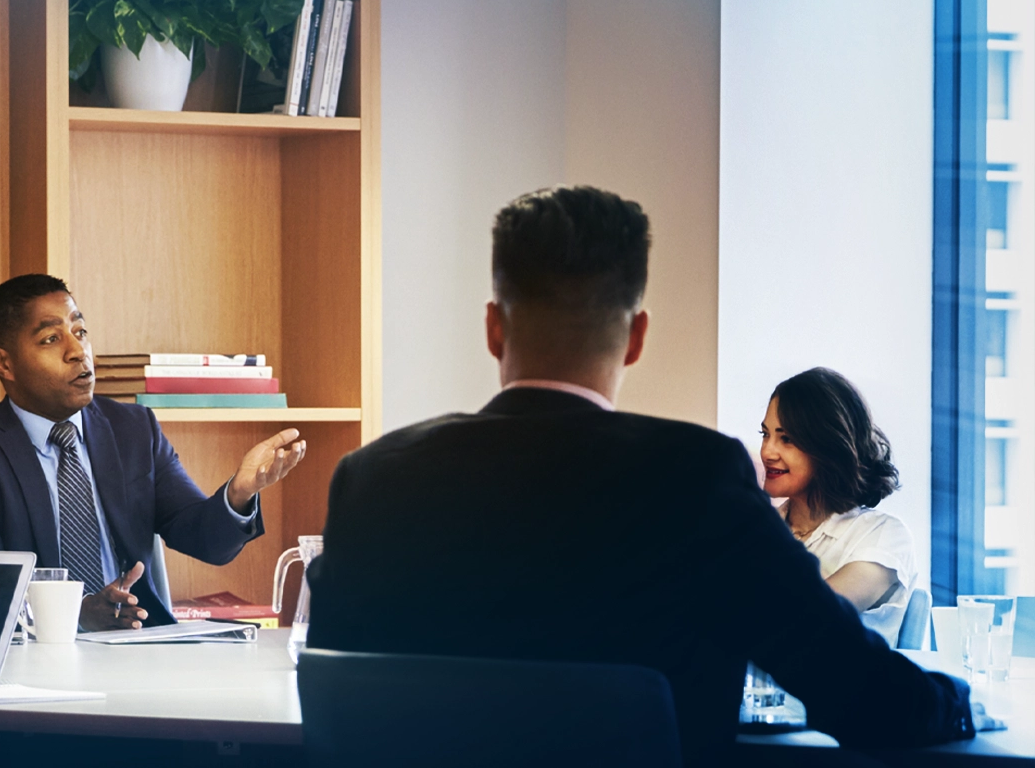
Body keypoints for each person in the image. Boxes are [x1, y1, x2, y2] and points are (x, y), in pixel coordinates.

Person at [307, 187, 972, 765]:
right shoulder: (697, 479)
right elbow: (855, 689)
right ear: (636, 337)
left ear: (492, 327)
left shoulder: (370, 479)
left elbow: (339, 700)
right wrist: (961, 699)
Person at [0, 274, 307, 631]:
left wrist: (239, 493)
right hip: (36, 656)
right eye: (50, 339)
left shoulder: (133, 429)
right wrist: (75, 615)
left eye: (80, 331)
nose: (78, 351)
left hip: (141, 641)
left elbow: (203, 540)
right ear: (3, 363)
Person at [761, 367, 916, 642]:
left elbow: (809, 619)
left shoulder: (884, 536)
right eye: (765, 434)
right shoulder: (760, 528)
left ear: (828, 447)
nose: (767, 451)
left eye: (786, 439)